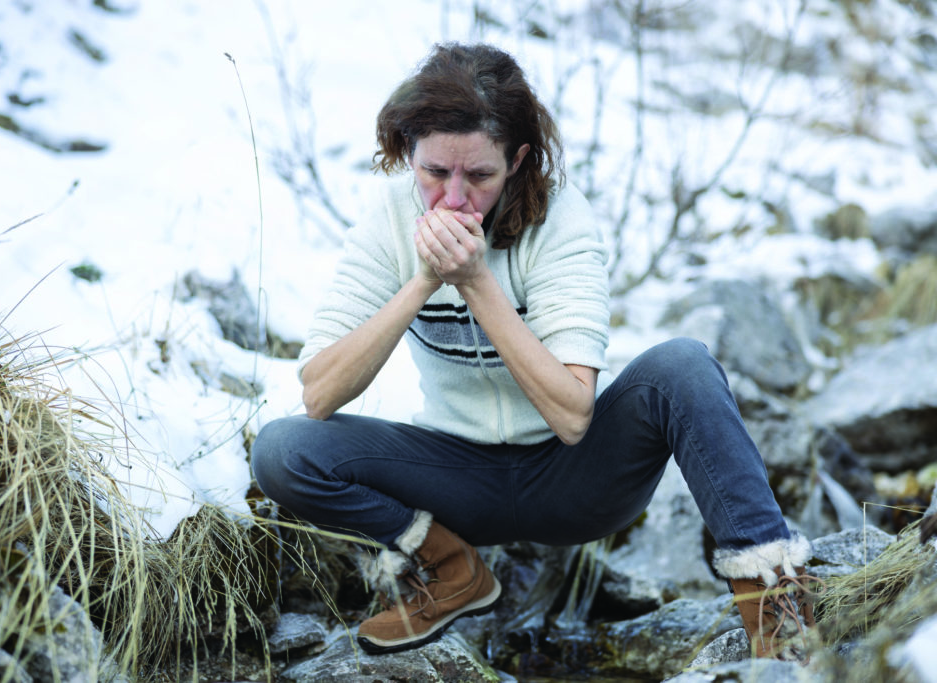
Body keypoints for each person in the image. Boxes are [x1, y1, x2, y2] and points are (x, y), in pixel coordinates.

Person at [251, 42, 822, 660]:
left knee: (682, 365)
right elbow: (319, 391)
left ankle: (776, 603)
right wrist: (421, 281)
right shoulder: (388, 220)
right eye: (434, 173)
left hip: (575, 480)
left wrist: (475, 282)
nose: (453, 199)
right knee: (284, 449)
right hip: (456, 479)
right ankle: (449, 568)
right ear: (409, 155)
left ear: (518, 160)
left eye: (480, 176)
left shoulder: (561, 218)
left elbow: (575, 415)